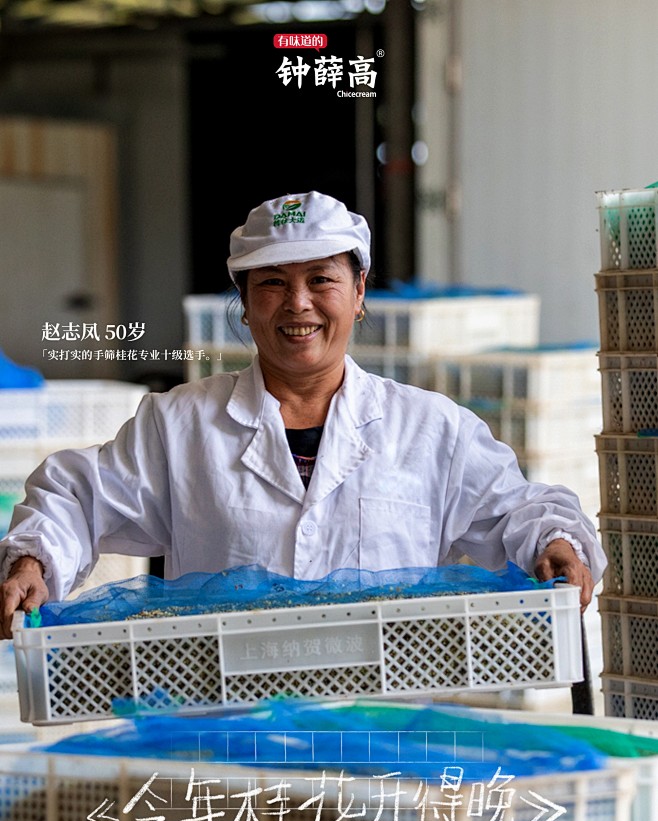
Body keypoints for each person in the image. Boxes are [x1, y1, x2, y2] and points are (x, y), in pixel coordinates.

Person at [0, 190, 605, 647]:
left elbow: (517, 509)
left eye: (322, 279)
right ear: (244, 302)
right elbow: (77, 498)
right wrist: (33, 562)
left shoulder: (431, 430)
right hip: (222, 733)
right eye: (272, 283)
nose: (298, 303)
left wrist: (553, 542)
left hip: (383, 733)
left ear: (360, 290)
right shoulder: (178, 424)